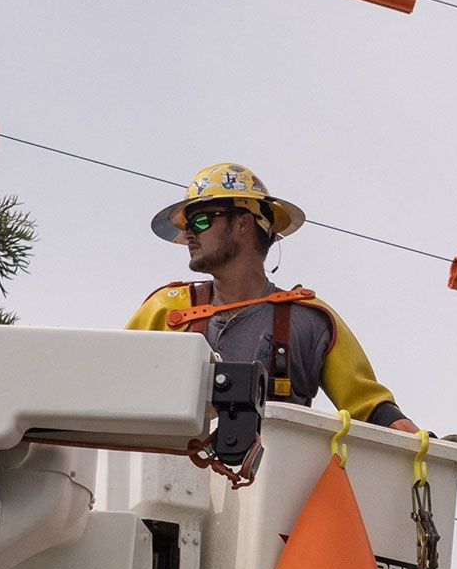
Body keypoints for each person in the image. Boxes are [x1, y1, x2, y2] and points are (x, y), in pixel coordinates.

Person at [127, 163, 412, 429]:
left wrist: (427, 446)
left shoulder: (309, 319)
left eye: (200, 221)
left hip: (272, 478)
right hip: (170, 478)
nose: (188, 233)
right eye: (187, 225)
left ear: (243, 223)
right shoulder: (167, 308)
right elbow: (113, 381)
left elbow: (370, 406)